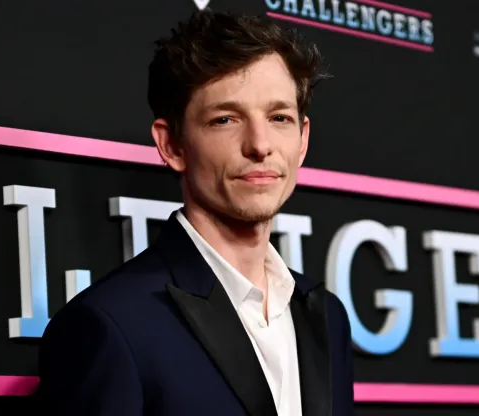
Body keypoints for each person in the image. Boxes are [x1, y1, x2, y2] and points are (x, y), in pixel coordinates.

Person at [34, 9, 354, 416]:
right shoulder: (111, 325)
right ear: (172, 146)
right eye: (225, 119)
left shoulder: (326, 316)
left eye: (279, 118)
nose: (260, 144)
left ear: (302, 140)